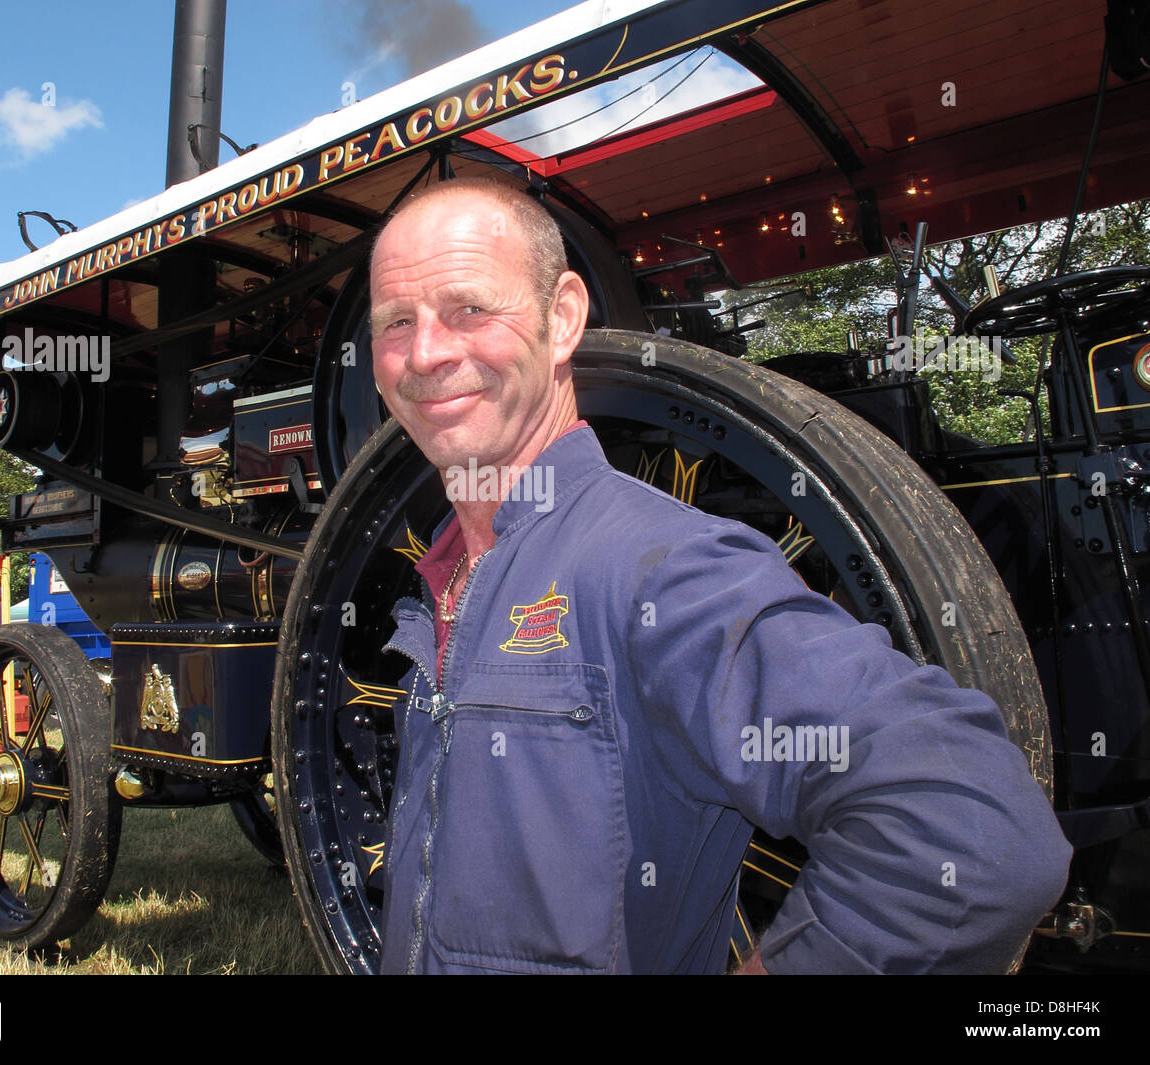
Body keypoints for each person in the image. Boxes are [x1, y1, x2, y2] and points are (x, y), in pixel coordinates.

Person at [367, 176, 1072, 974]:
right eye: (396, 321)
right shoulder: (447, 579)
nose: (426, 353)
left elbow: (974, 833)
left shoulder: (660, 568)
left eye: (469, 308)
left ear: (561, 318)